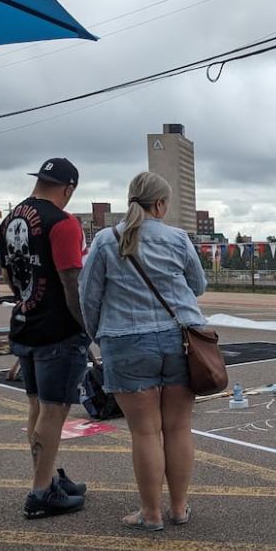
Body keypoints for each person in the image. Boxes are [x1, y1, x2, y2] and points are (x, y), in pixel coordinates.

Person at [79, 171, 207, 531]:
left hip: (126, 342)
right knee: (179, 427)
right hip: (181, 340)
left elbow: (88, 298)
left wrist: (101, 337)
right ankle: (179, 508)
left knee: (145, 432)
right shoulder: (178, 238)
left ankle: (150, 514)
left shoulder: (106, 240)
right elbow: (197, 285)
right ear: (161, 203)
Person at [0, 157, 90, 519]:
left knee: (37, 407)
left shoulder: (10, 219)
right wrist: (86, 326)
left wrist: (27, 300)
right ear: (68, 189)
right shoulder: (63, 223)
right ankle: (40, 492)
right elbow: (72, 281)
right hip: (58, 329)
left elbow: (8, 275)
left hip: (25, 321)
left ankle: (47, 476)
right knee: (54, 411)